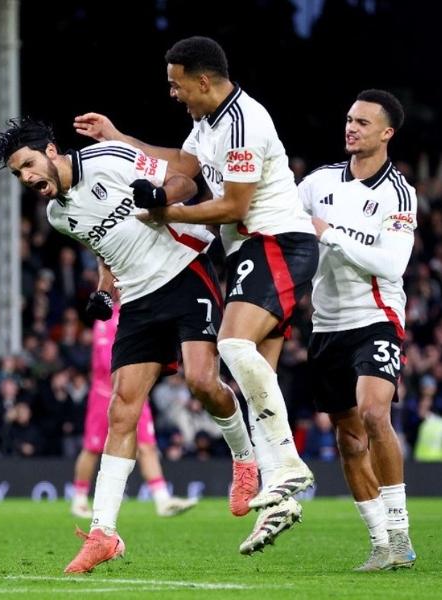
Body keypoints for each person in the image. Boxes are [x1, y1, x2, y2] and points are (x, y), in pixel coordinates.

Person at [74, 35, 318, 555]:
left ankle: (290, 466)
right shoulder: (208, 121)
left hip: (275, 242)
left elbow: (232, 205)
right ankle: (277, 495)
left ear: (202, 80)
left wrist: (169, 214)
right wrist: (121, 138)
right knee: (258, 378)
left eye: (176, 84)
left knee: (231, 348)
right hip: (250, 252)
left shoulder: (243, 123)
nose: (173, 94)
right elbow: (181, 169)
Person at [0, 117, 258, 573]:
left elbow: (181, 178)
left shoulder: (107, 158)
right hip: (136, 299)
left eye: (29, 165)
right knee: (121, 408)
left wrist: (161, 196)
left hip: (183, 269)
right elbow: (104, 247)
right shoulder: (59, 215)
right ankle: (103, 533)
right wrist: (104, 289)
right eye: (18, 174)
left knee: (201, 380)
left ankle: (245, 459)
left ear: (51, 151)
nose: (27, 178)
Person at [298, 89, 417, 571]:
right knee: (348, 438)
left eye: (363, 122)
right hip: (326, 324)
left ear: (387, 132)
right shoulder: (319, 183)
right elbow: (275, 213)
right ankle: (380, 542)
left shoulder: (398, 193)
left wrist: (331, 236)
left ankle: (401, 532)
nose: (351, 128)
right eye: (349, 119)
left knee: (373, 412)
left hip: (376, 316)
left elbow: (393, 263)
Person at [71, 302, 197, 519]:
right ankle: (79, 499)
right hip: (105, 394)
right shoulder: (107, 315)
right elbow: (104, 359)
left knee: (147, 445)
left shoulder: (140, 310)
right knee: (92, 447)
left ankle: (162, 500)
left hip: (137, 391)